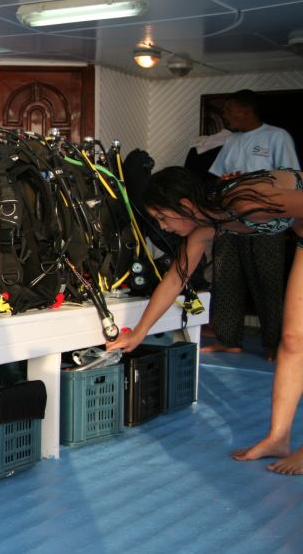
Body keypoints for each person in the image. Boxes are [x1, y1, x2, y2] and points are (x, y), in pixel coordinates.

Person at [106, 165, 303, 475]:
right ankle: (278, 438)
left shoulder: (245, 202)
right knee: (292, 340)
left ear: (185, 205)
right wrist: (139, 332)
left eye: (162, 217)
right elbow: (176, 278)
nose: (163, 227)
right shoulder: (205, 225)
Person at [205, 90, 298, 358]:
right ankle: (228, 340)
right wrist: (226, 181)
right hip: (231, 222)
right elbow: (218, 177)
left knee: (267, 284)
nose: (225, 115)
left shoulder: (277, 136)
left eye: (229, 110)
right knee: (226, 280)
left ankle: (274, 345)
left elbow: (291, 178)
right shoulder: (232, 140)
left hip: (266, 224)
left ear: (245, 109)